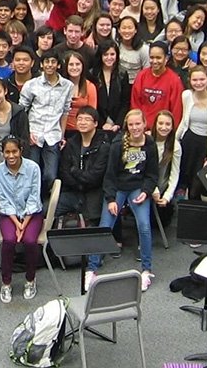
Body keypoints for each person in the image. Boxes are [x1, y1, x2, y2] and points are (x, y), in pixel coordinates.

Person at [85, 109, 159, 292]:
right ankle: (91, 268)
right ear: (127, 126)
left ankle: (147, 270)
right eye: (131, 124)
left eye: (138, 124)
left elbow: (152, 174)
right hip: (118, 187)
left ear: (144, 124)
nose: (135, 128)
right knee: (105, 226)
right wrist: (111, 199)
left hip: (137, 188)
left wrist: (146, 191)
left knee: (144, 226)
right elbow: (109, 175)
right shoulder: (118, 144)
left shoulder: (150, 145)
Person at [0, 136, 42, 303]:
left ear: (21, 151)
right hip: (9, 214)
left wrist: (24, 224)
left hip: (31, 214)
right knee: (9, 240)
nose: (11, 155)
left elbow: (34, 198)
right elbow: (2, 200)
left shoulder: (33, 168)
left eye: (14, 151)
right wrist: (16, 223)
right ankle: (6, 283)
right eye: (7, 152)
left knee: (29, 241)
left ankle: (30, 279)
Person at [19, 49, 73, 197]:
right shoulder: (31, 85)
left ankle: (44, 198)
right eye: (47, 62)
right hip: (34, 133)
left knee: (50, 175)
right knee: (32, 172)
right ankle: (34, 202)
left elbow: (65, 112)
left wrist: (62, 135)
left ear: (58, 65)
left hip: (53, 134)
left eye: (53, 62)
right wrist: (26, 133)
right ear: (41, 65)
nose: (50, 65)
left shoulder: (67, 86)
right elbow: (22, 110)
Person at [176, 66, 207, 202]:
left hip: (206, 145)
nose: (198, 83)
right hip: (189, 142)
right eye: (195, 80)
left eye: (202, 79)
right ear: (190, 81)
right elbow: (184, 121)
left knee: (197, 187)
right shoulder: (186, 95)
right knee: (184, 181)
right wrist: (174, 141)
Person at [58, 106, 110, 223]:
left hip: (95, 193)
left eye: (87, 119)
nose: (82, 122)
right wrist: (78, 184)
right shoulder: (71, 143)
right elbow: (64, 172)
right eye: (80, 119)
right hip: (73, 191)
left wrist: (75, 171)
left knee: (93, 221)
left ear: (95, 123)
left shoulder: (103, 146)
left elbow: (96, 176)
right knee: (49, 209)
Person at [130, 40, 183, 129]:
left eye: (158, 58)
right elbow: (135, 105)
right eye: (151, 57)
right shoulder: (141, 76)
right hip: (142, 129)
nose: (154, 61)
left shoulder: (174, 80)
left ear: (166, 58)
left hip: (163, 129)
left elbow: (176, 111)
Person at [151, 110, 181, 227]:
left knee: (162, 222)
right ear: (155, 124)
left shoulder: (176, 146)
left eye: (168, 124)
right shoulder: (147, 140)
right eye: (161, 123)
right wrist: (153, 189)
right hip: (146, 185)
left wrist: (167, 197)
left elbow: (175, 174)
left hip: (162, 187)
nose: (164, 127)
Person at [62, 51, 97, 136]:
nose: (74, 67)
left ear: (82, 66)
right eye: (71, 64)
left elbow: (92, 112)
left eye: (77, 64)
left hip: (82, 131)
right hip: (62, 130)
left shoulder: (90, 86)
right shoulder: (60, 86)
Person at [117, 15, 149, 84]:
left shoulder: (144, 49)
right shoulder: (116, 45)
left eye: (130, 28)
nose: (127, 31)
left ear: (135, 30)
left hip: (136, 84)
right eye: (124, 28)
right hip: (119, 82)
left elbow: (147, 71)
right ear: (119, 30)